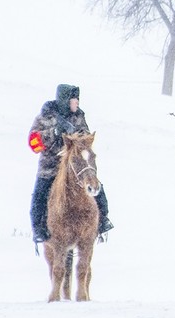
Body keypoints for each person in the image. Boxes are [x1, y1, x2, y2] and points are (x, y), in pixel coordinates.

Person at [28, 84, 113, 243]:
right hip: (51, 167)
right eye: (74, 101)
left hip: (74, 168)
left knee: (97, 187)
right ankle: (39, 229)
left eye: (77, 101)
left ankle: (102, 220)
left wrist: (75, 135)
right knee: (40, 194)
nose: (77, 104)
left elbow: (86, 138)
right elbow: (34, 143)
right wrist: (52, 134)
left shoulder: (79, 116)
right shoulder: (45, 117)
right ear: (65, 101)